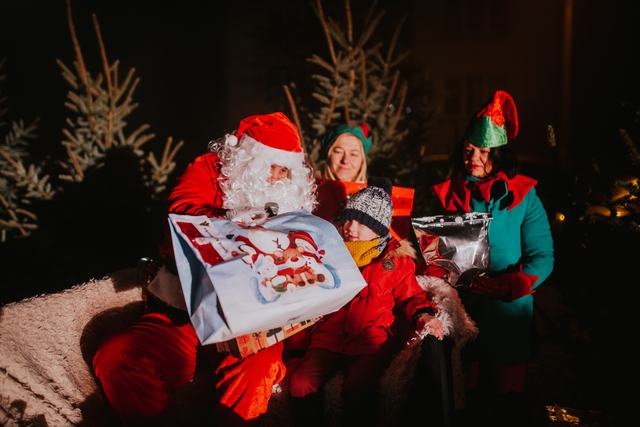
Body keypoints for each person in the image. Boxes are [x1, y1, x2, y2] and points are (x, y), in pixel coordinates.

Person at [92, 112, 317, 424]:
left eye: (286, 170)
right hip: (185, 314)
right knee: (117, 358)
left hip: (255, 327)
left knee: (258, 372)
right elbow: (181, 213)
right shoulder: (211, 169)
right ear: (251, 159)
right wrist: (242, 226)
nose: (278, 176)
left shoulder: (294, 200)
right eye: (272, 166)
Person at [431, 90, 554, 423]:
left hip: (509, 314)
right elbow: (437, 252)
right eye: (469, 149)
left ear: (498, 155)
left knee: (508, 404)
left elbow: (543, 255)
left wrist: (514, 284)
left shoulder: (524, 196)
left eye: (483, 152)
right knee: (467, 402)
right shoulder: (450, 194)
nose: (473, 158)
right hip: (464, 310)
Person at [288, 179, 444, 426]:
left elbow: (410, 295)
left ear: (379, 229)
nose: (351, 227)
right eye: (348, 219)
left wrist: (422, 314)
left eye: (362, 223)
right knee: (300, 384)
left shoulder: (396, 261)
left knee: (358, 387)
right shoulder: (328, 252)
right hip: (328, 338)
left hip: (370, 340)